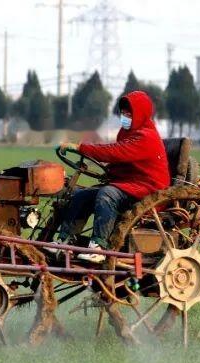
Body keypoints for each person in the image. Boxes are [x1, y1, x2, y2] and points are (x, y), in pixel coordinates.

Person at [55, 90, 170, 262]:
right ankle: (65, 241)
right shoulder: (126, 133)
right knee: (81, 195)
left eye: (129, 114)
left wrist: (81, 148)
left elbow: (115, 152)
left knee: (107, 194)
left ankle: (98, 247)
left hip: (148, 191)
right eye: (123, 113)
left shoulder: (146, 137)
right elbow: (120, 161)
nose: (124, 117)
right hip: (130, 185)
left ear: (141, 114)